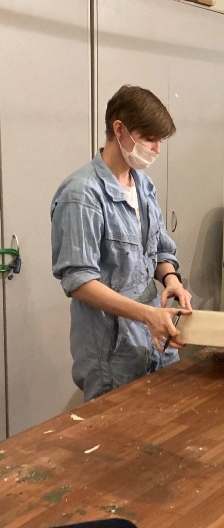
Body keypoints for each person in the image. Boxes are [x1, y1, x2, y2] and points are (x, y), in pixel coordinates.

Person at [51, 85, 192, 401]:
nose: (156, 149)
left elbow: (159, 249)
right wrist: (146, 315)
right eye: (150, 139)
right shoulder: (82, 195)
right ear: (119, 130)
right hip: (111, 346)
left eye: (160, 141)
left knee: (166, 413)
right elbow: (79, 281)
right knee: (118, 424)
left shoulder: (143, 185)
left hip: (154, 334)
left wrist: (171, 281)